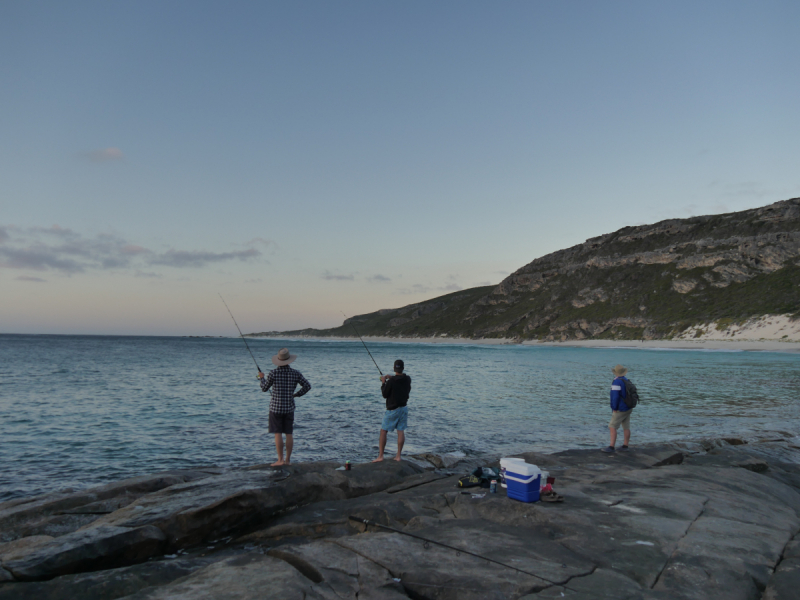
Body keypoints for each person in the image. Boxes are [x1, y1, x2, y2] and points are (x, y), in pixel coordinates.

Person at [257, 348, 311, 466]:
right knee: (289, 433)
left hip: (275, 408)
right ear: (289, 360)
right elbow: (307, 386)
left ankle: (280, 460)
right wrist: (296, 395)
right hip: (289, 408)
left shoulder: (273, 373)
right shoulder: (296, 373)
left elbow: (264, 388)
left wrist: (261, 378)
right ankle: (287, 461)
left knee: (278, 433)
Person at [372, 359, 411, 462]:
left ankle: (380, 456)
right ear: (403, 368)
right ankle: (398, 456)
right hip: (404, 408)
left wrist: (384, 382)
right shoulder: (407, 379)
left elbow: (385, 394)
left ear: (394, 368)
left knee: (383, 431)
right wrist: (391, 378)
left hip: (392, 410)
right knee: (400, 431)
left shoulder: (391, 382)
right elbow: (400, 380)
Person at [602, 364, 632, 453]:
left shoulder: (617, 382)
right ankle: (625, 445)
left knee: (612, 426)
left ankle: (611, 447)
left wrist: (614, 407)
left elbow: (615, 396)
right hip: (628, 407)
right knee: (626, 426)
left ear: (615, 373)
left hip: (620, 408)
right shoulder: (626, 380)